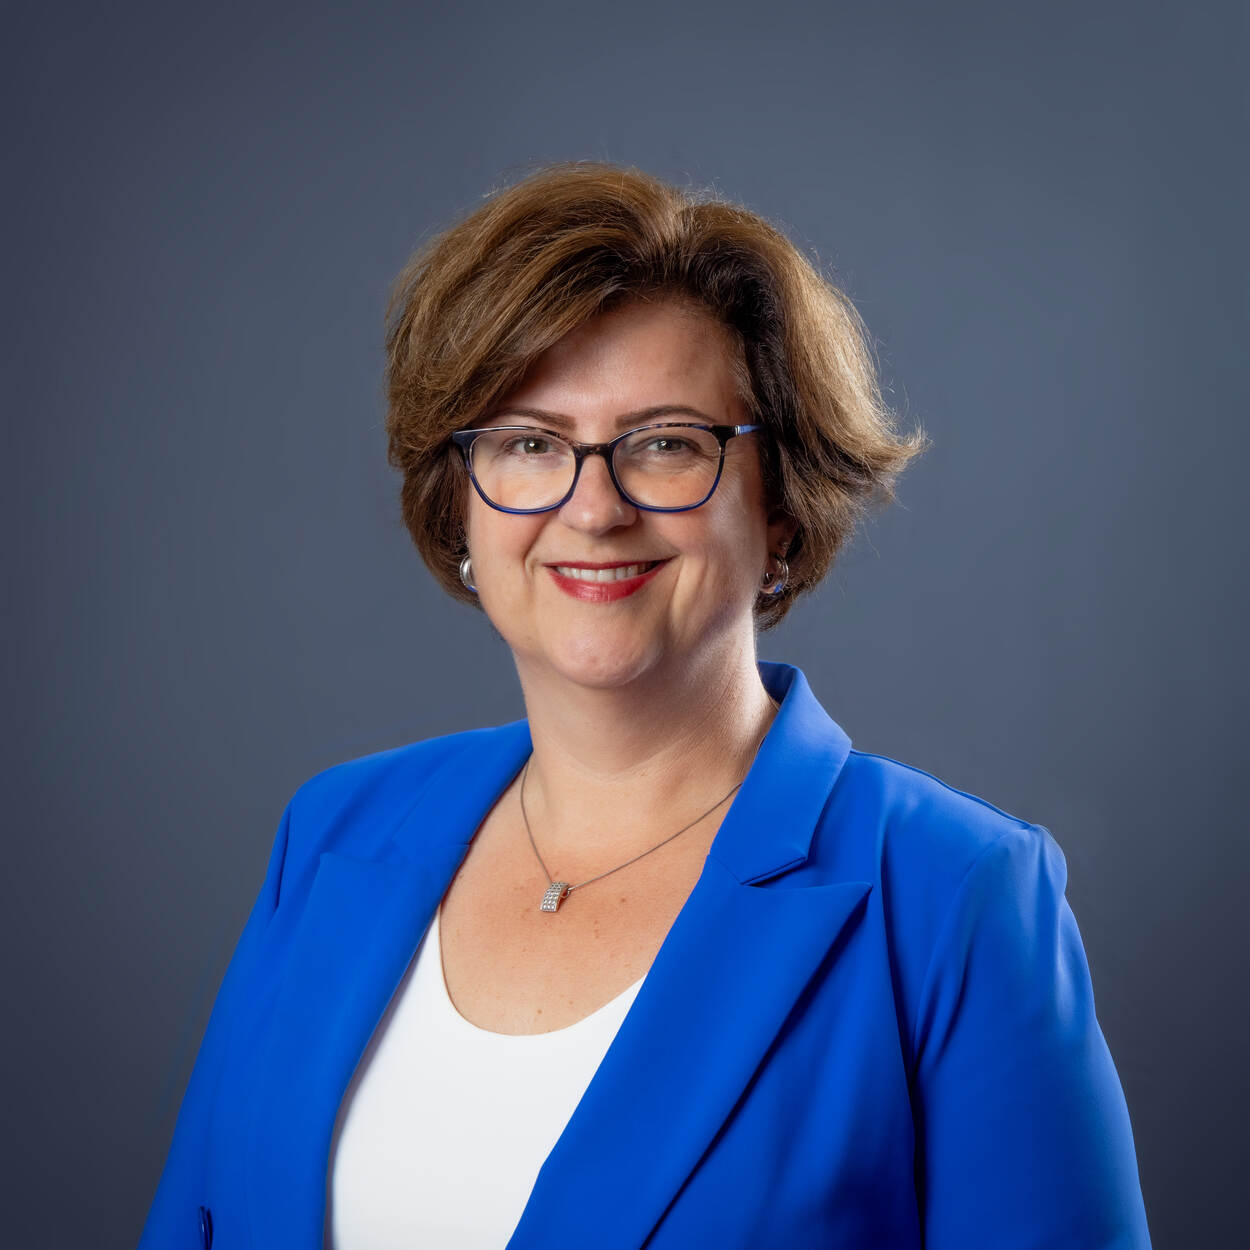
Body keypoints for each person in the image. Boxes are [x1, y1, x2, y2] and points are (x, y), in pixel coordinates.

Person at [137, 160, 1153, 1250]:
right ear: (460, 501)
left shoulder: (953, 898)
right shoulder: (333, 834)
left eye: (665, 443)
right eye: (529, 443)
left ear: (780, 506)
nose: (592, 508)